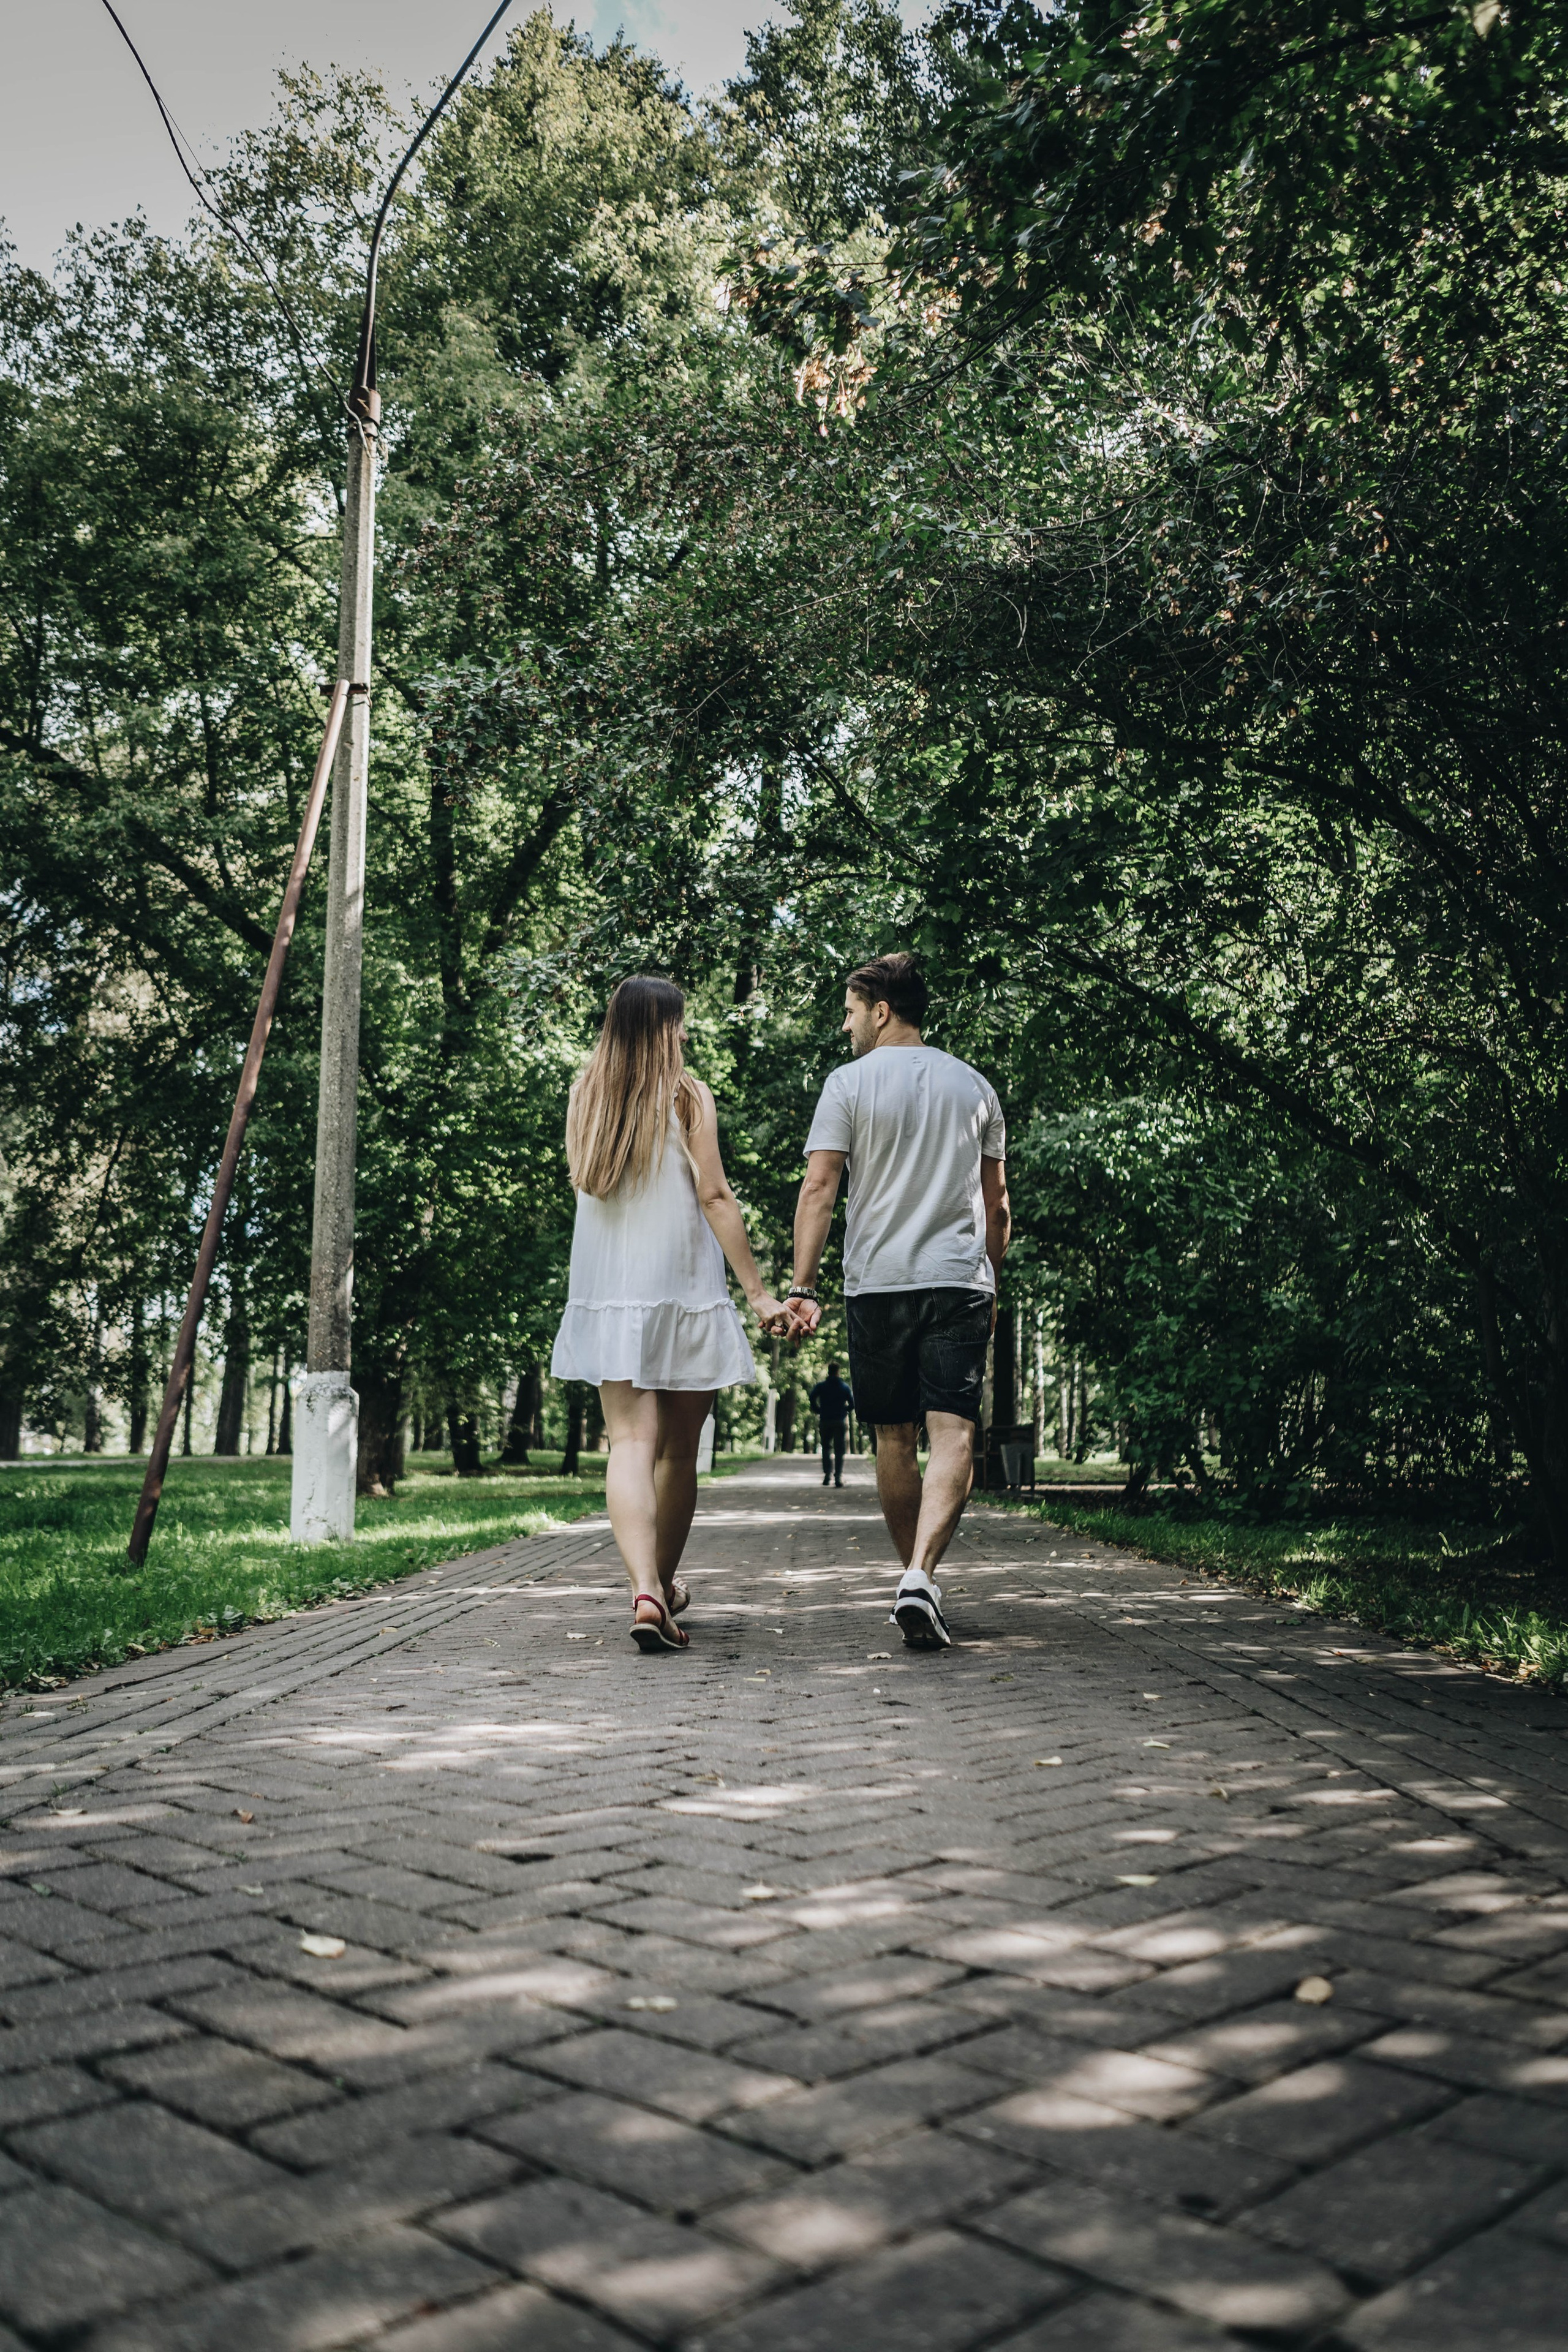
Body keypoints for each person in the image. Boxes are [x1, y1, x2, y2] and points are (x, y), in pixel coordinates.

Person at [552, 976, 785, 1653]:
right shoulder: (686, 1095)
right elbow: (714, 1196)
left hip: (609, 1294)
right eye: (678, 1024)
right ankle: (656, 1588)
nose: (685, 1034)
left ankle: (648, 1590)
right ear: (658, 1029)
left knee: (629, 1444)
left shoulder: (583, 1094)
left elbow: (584, 1180)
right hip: (682, 1291)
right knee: (678, 1452)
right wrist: (757, 1293)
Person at [785, 954, 1009, 1648]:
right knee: (954, 1434)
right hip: (956, 1279)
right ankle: (922, 1576)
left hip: (877, 1282)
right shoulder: (974, 1086)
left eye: (850, 1010)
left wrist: (802, 1286)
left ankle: (912, 1576)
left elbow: (820, 1189)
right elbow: (997, 1205)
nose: (845, 1024)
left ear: (881, 1010)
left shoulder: (847, 1084)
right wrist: (988, 1278)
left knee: (893, 1437)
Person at [809, 1362, 854, 1487]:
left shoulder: (821, 1386)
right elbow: (852, 1403)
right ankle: (838, 1477)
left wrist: (818, 1410)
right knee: (839, 1450)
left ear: (829, 1372)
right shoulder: (844, 1387)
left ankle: (827, 1475)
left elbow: (812, 1397)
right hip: (839, 1421)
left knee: (826, 1448)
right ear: (838, 1372)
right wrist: (845, 1411)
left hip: (825, 1420)